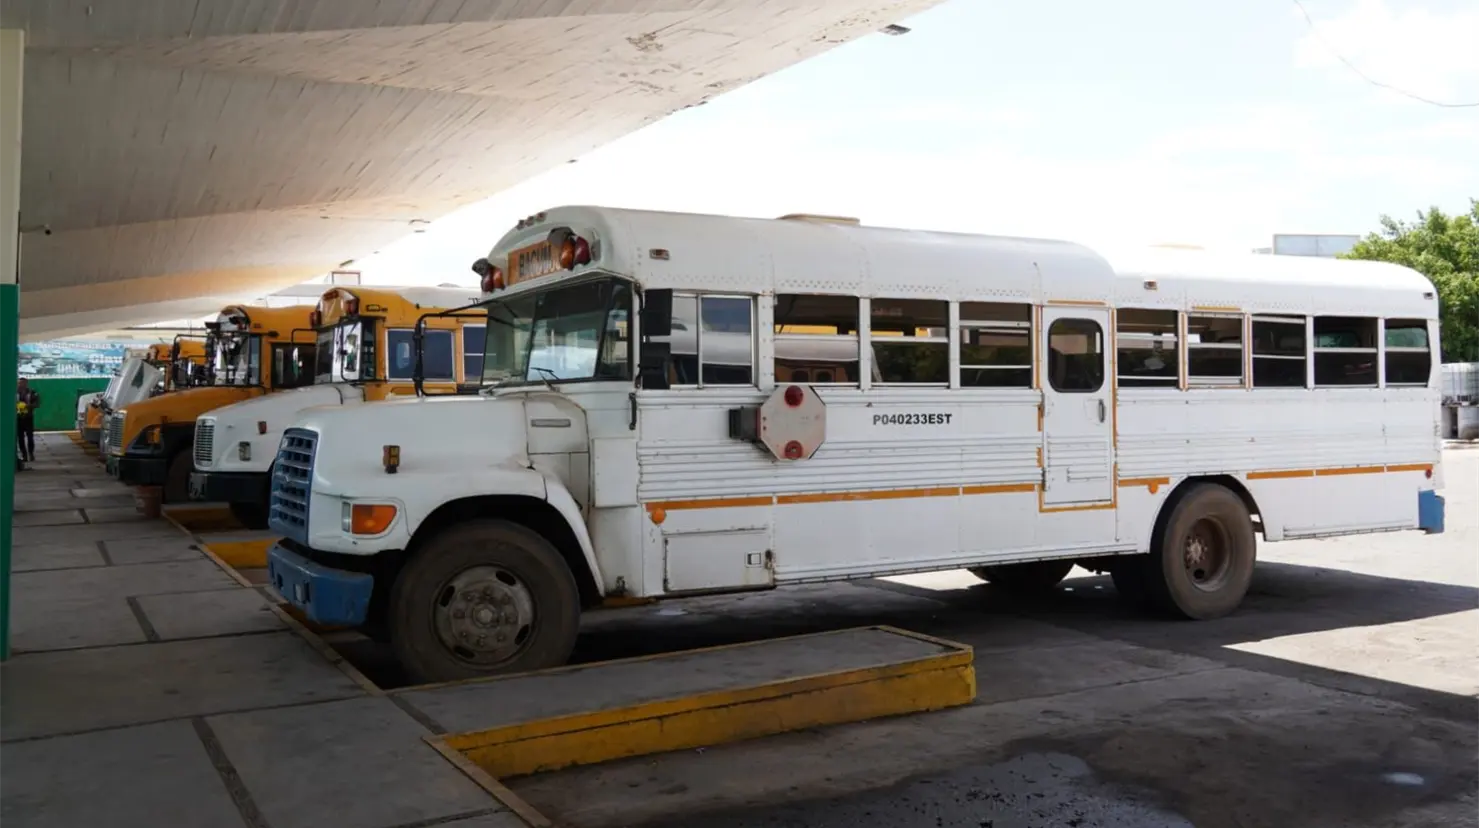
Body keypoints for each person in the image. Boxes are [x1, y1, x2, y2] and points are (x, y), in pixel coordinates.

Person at [16, 377, 40, 463]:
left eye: (23, 383)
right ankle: (24, 455)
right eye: (19, 383)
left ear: (26, 384)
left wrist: (28, 406)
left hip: (28, 418)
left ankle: (31, 453)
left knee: (30, 437)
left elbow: (37, 404)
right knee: (20, 438)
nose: (21, 385)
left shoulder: (32, 392)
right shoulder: (14, 393)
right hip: (18, 418)